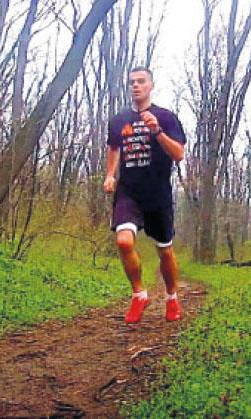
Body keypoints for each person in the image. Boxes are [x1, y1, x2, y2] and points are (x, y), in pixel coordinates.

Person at [103, 66, 186, 324]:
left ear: (151, 85)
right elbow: (113, 147)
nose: (136, 86)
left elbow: (178, 154)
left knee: (165, 251)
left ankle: (172, 297)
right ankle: (139, 294)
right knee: (124, 242)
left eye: (141, 81)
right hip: (129, 191)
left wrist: (157, 131)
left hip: (158, 193)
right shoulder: (119, 120)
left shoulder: (166, 117)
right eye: (132, 82)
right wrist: (110, 175)